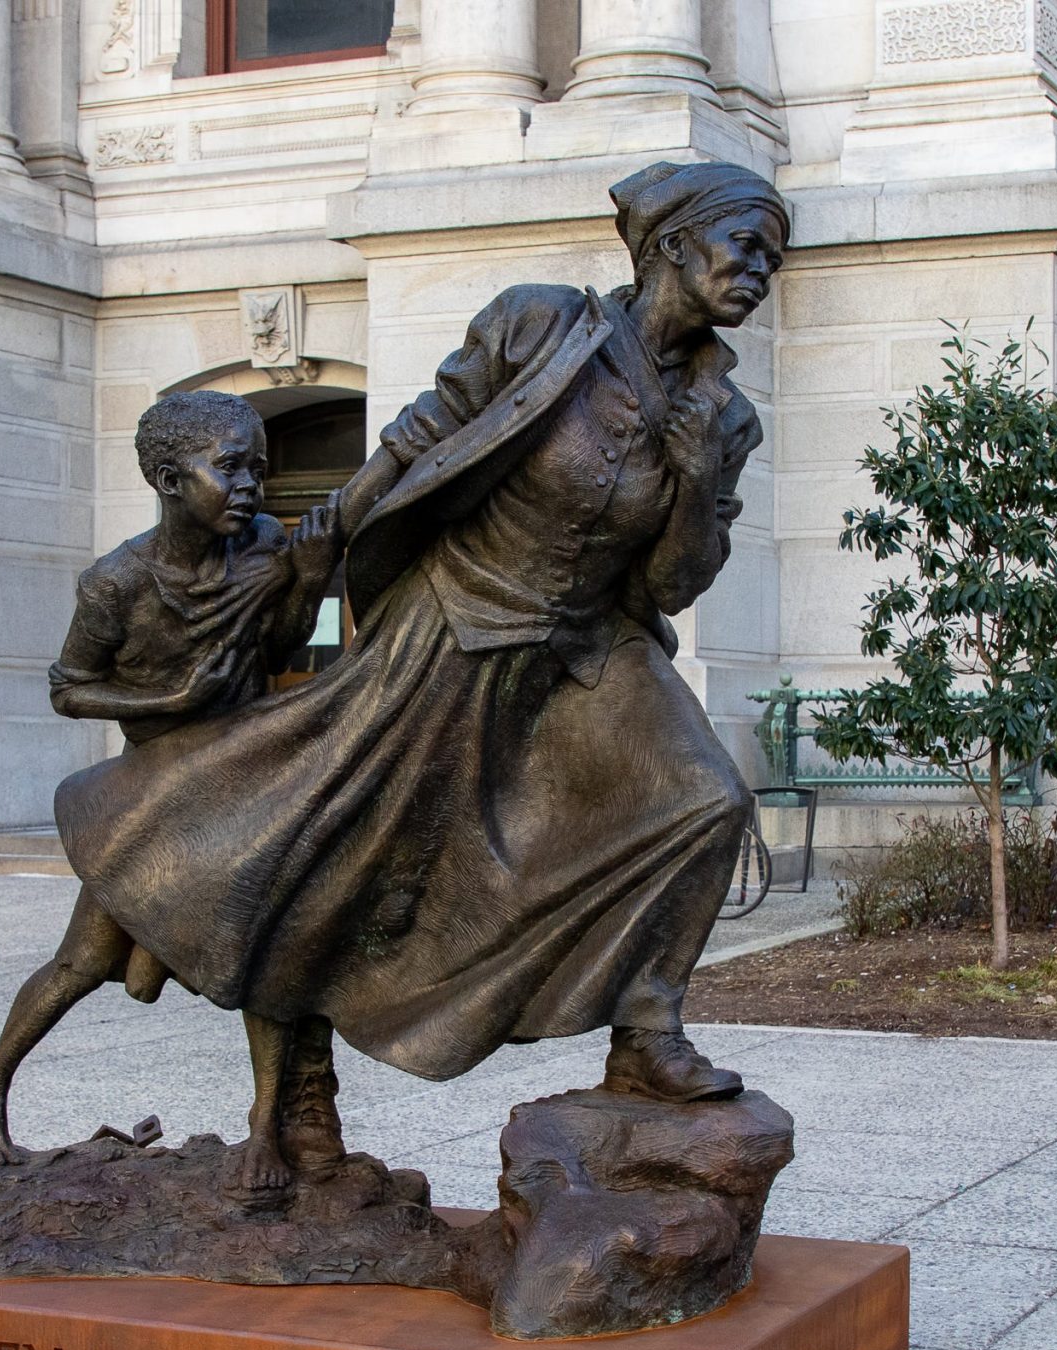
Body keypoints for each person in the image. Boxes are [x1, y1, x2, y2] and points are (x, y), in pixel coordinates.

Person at [51, 161, 789, 1160]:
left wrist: (698, 480)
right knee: (353, 860)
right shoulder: (540, 327)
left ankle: (647, 1030)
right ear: (667, 247)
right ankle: (301, 1092)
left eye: (772, 257)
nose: (758, 269)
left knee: (702, 800)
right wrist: (320, 542)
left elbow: (669, 588)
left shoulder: (726, 418)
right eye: (743, 243)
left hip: (587, 641)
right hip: (454, 620)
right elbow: (417, 439)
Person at [0, 390, 337, 1168]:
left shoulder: (264, 544)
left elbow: (279, 644)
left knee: (268, 954)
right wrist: (170, 699)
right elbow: (68, 686)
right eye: (228, 468)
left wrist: (305, 578)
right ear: (169, 480)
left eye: (258, 470)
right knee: (84, 962)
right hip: (156, 794)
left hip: (242, 783)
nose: (250, 487)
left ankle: (267, 1126)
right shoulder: (117, 585)